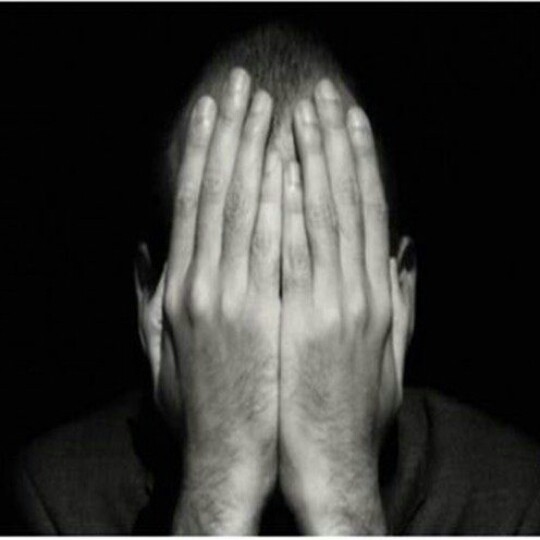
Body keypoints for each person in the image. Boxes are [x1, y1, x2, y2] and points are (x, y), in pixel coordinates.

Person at [11, 24, 540, 535]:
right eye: (236, 285)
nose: (279, 337)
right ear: (152, 300)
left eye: (320, 284)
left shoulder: (510, 497)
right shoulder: (57, 500)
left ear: (400, 297)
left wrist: (342, 494)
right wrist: (218, 485)